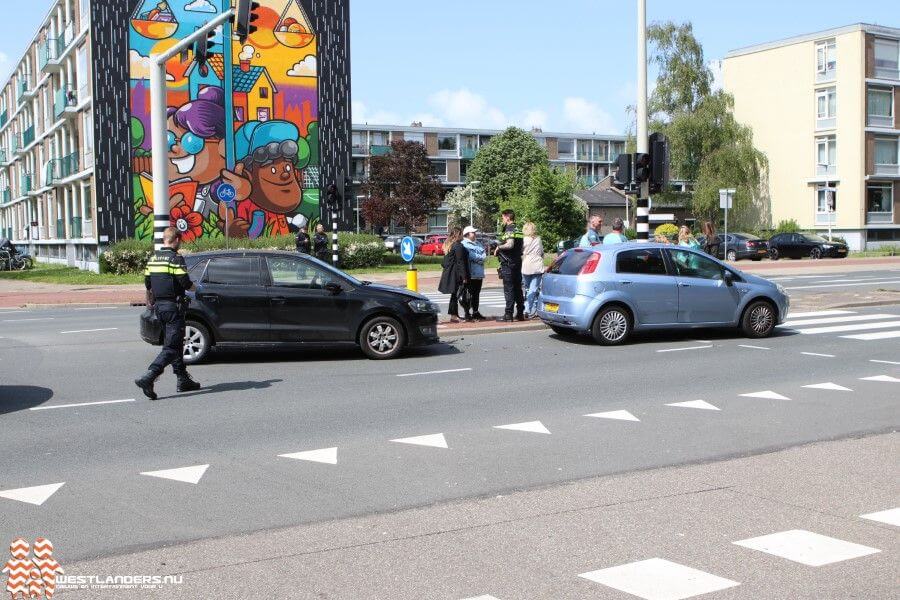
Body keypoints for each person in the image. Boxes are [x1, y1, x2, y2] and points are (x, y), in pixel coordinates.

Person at [135, 227, 201, 400]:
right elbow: (185, 282)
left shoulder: (153, 259)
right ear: (177, 240)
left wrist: (154, 299)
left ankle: (182, 379)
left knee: (175, 343)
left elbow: (148, 283)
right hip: (174, 308)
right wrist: (198, 290)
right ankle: (150, 375)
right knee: (172, 347)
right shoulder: (175, 259)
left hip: (160, 308)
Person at [494, 209, 525, 321]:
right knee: (517, 288)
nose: (502, 220)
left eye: (503, 217)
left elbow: (510, 244)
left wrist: (499, 247)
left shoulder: (510, 228)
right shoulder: (518, 229)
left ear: (507, 217)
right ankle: (520, 313)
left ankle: (508, 315)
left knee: (509, 289)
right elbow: (521, 247)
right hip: (517, 261)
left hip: (508, 263)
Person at [438, 227, 470, 323]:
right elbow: (461, 262)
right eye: (461, 234)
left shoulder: (449, 245)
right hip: (456, 275)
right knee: (456, 295)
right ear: (458, 235)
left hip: (450, 273)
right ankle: (454, 316)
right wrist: (464, 277)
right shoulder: (458, 246)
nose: (463, 236)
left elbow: (444, 263)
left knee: (454, 295)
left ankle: (454, 315)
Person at [461, 226, 487, 321]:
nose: (475, 234)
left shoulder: (478, 243)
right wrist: (479, 258)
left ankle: (475, 312)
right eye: (473, 233)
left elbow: (484, 255)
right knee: (468, 294)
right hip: (471, 274)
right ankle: (467, 313)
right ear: (467, 234)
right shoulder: (464, 244)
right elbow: (471, 256)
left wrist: (479, 258)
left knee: (477, 294)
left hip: (479, 274)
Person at [521, 222, 544, 318]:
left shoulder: (523, 240)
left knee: (527, 288)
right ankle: (530, 308)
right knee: (534, 289)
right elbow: (542, 252)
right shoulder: (538, 239)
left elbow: (521, 251)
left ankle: (529, 308)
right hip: (537, 266)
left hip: (526, 265)